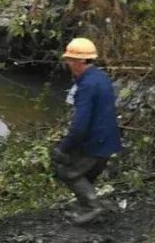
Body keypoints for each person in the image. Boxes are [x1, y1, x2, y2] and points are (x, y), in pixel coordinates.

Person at [50, 38, 122, 226]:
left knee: (67, 170)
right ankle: (85, 204)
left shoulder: (87, 86)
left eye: (71, 60)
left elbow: (80, 125)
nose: (68, 64)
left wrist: (63, 147)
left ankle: (92, 207)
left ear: (81, 61)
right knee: (86, 172)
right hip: (108, 138)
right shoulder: (100, 77)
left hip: (94, 140)